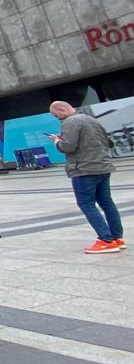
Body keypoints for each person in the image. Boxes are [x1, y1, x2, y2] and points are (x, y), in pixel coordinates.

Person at [49, 101, 125, 253]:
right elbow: (109, 142)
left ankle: (106, 240)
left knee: (86, 203)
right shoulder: (91, 119)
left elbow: (67, 147)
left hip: (84, 168)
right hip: (103, 166)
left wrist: (57, 141)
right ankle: (117, 237)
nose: (57, 118)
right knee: (107, 202)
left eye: (56, 115)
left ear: (62, 109)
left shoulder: (70, 122)